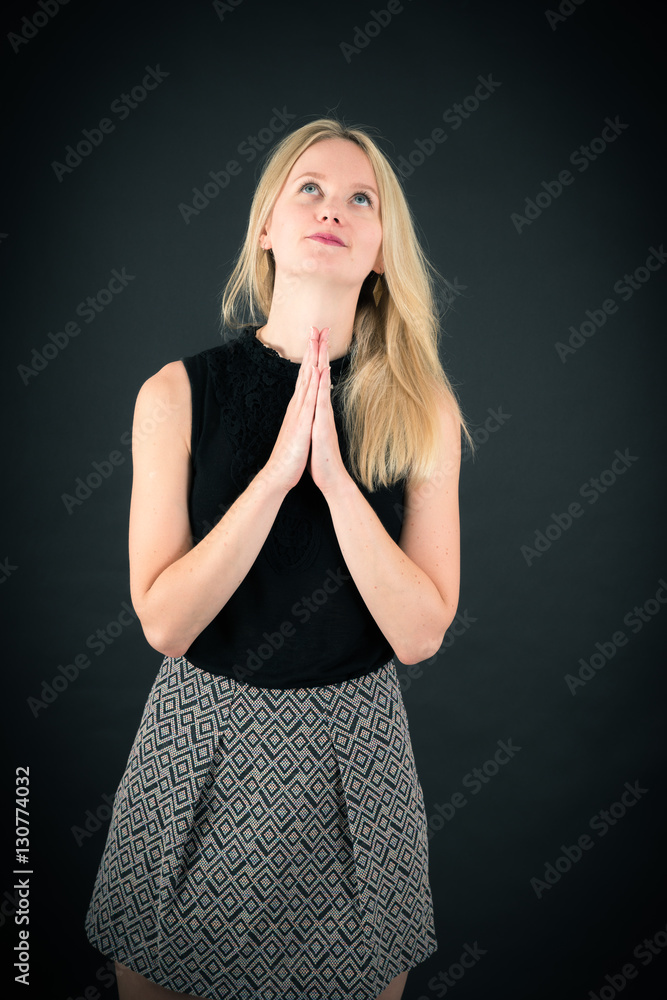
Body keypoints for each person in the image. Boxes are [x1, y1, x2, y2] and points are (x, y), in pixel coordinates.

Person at [84, 115, 474, 1000]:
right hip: (199, 738)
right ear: (265, 228)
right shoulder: (175, 394)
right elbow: (165, 623)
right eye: (309, 188)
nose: (332, 208)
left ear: (382, 249)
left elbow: (419, 634)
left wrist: (335, 483)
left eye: (360, 199)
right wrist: (273, 481)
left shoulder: (423, 411)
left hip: (356, 754)